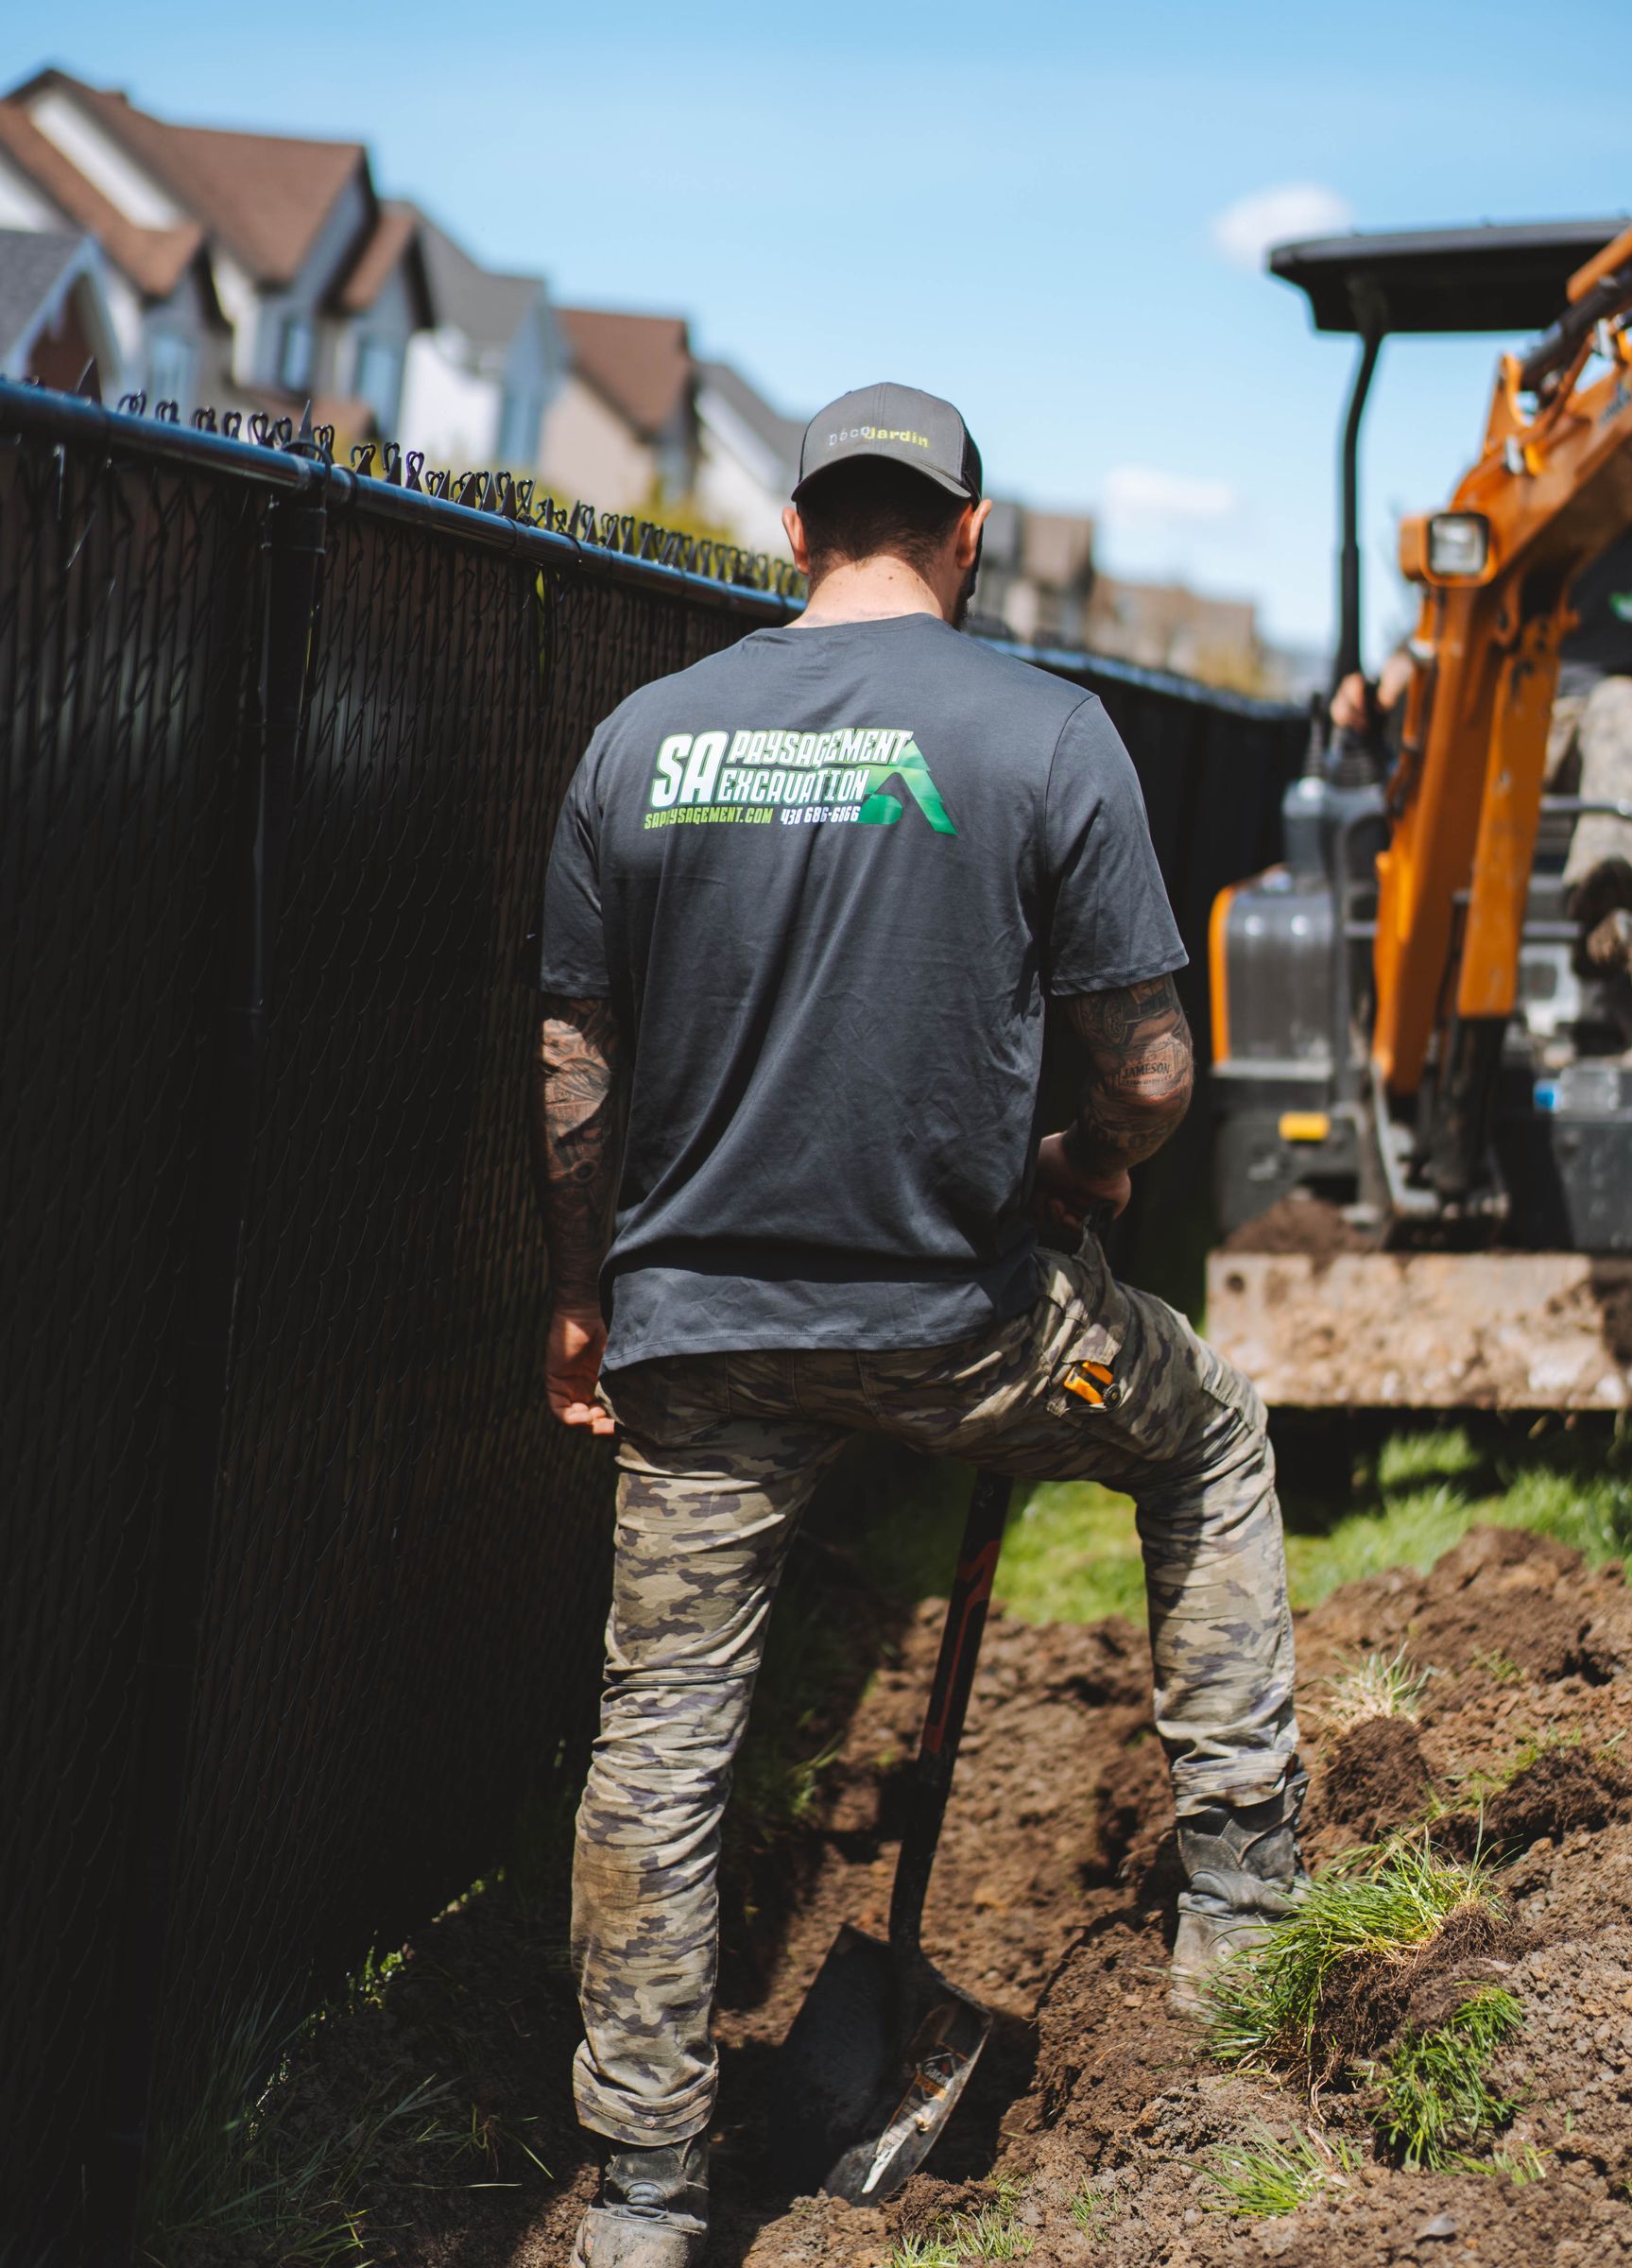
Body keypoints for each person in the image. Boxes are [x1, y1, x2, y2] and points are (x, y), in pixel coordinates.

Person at [536, 384, 1301, 2268]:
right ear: (965, 536)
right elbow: (1148, 1070)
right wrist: (1083, 1160)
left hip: (699, 1342)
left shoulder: (640, 743)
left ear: (798, 534)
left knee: (661, 1742)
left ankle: (640, 2203)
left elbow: (570, 1065)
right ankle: (1245, 1910)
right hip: (970, 1331)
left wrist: (579, 1295)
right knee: (1202, 1426)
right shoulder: (1044, 732)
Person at [1331, 494, 1632, 935]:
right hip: (1525, 708)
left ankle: (1605, 899)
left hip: (1624, 723)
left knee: (1619, 702)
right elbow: (1449, 628)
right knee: (1473, 723)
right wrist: (1397, 673)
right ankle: (1434, 909)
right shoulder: (1524, 526)